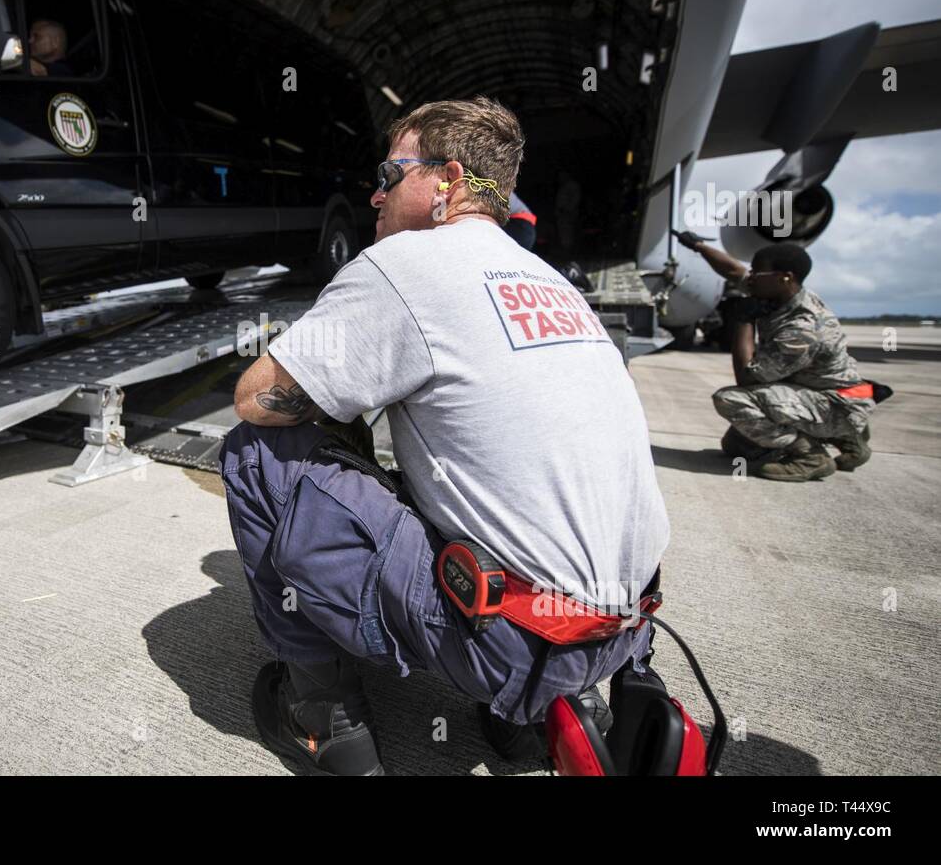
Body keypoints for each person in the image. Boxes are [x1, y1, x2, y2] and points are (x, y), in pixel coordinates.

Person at [219, 96, 670, 774]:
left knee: (257, 453)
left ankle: (323, 716)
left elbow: (256, 399)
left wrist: (333, 419)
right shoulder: (552, 281)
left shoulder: (405, 261)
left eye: (389, 173)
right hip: (615, 634)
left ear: (449, 180)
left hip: (510, 641)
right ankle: (526, 722)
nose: (374, 193)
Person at [677, 232, 875, 480]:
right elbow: (732, 271)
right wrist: (697, 246)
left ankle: (810, 456)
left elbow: (748, 379)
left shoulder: (803, 328)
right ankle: (850, 439)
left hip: (838, 403)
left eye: (756, 273)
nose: (750, 279)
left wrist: (743, 321)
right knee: (736, 446)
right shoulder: (776, 293)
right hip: (823, 393)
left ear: (785, 277)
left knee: (731, 400)